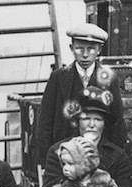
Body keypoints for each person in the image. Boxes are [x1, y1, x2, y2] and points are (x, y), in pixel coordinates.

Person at [36, 22, 125, 167]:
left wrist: (117, 162)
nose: (84, 55)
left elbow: (117, 125)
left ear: (99, 50)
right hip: (64, 159)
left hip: (100, 160)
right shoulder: (58, 78)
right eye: (79, 48)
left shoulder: (110, 79)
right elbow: (45, 123)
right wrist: (45, 164)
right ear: (71, 48)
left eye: (90, 49)